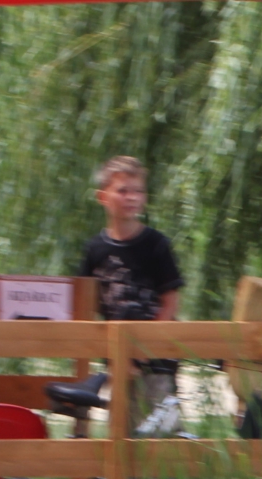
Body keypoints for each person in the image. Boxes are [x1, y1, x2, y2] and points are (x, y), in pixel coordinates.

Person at [79, 155, 184, 433]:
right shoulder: (95, 250)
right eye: (123, 190)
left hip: (156, 360)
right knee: (121, 433)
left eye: (137, 191)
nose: (131, 197)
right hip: (118, 358)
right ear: (103, 196)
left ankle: (165, 477)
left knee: (158, 434)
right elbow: (85, 302)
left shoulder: (156, 245)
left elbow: (170, 300)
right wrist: (113, 354)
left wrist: (146, 350)